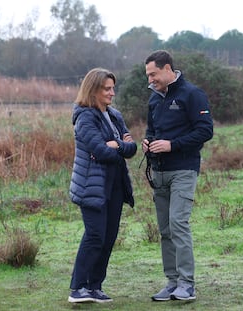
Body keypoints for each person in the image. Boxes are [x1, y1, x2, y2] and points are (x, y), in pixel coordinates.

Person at [142, 50, 213, 302]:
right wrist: (148, 142)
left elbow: (205, 131)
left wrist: (172, 145)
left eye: (153, 74)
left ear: (168, 68)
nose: (150, 79)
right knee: (164, 230)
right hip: (159, 172)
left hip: (183, 169)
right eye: (148, 75)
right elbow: (152, 130)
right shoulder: (153, 100)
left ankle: (187, 284)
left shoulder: (192, 94)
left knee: (178, 224)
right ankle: (172, 282)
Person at [68, 68, 137, 303]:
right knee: (95, 235)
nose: (112, 93)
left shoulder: (114, 115)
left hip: (116, 185)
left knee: (108, 238)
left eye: (113, 88)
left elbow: (131, 148)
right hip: (92, 186)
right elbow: (100, 151)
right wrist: (117, 146)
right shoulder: (85, 116)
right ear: (93, 90)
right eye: (107, 89)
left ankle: (95, 286)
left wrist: (115, 144)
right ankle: (78, 288)